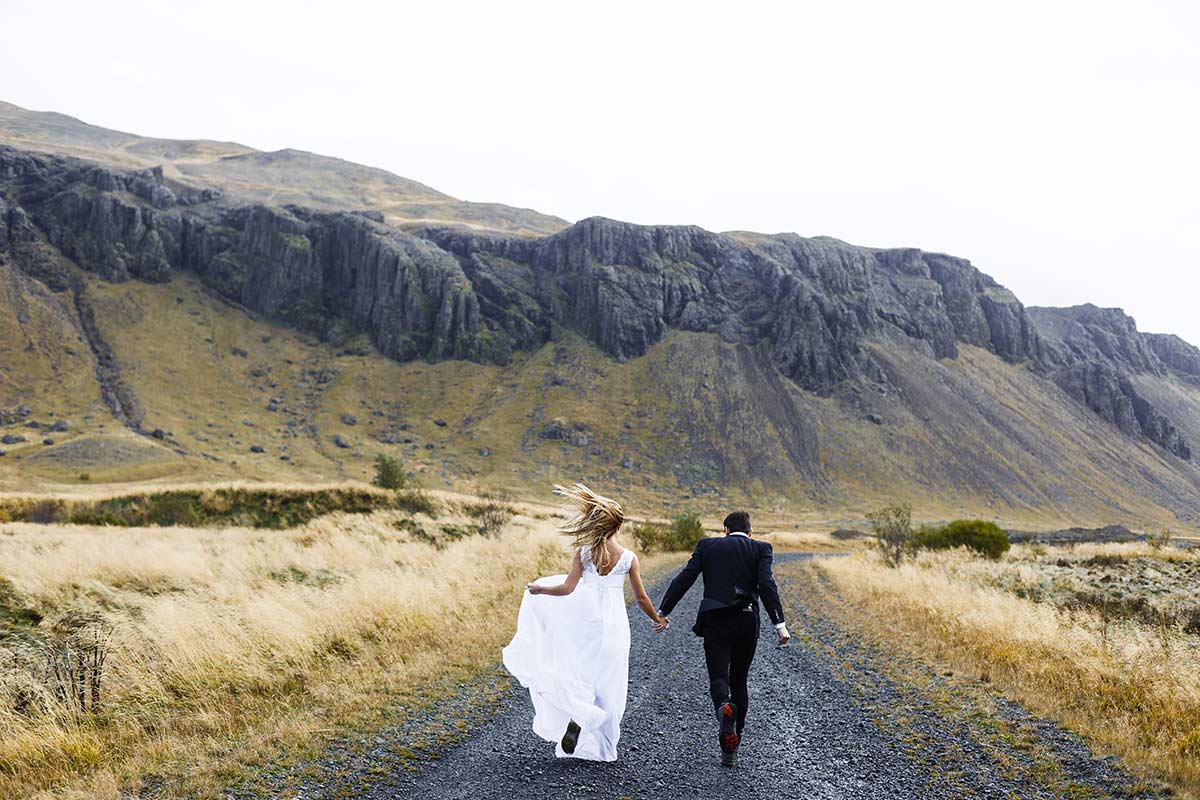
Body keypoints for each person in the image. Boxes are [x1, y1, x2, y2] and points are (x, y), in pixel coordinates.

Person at [502, 483, 667, 761]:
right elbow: (640, 598)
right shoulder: (628, 558)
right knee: (609, 681)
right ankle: (599, 742)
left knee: (582, 674)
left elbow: (567, 588)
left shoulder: (584, 552)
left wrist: (541, 590)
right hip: (614, 625)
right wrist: (657, 618)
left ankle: (579, 715)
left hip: (585, 621)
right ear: (618, 526)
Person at [655, 509, 789, 767]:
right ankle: (731, 750)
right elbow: (767, 584)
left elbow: (686, 578)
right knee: (740, 680)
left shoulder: (707, 546)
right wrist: (779, 624)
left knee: (719, 677)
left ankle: (722, 709)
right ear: (750, 533)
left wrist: (663, 611)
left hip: (715, 620)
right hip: (746, 620)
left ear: (725, 530)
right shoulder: (761, 548)